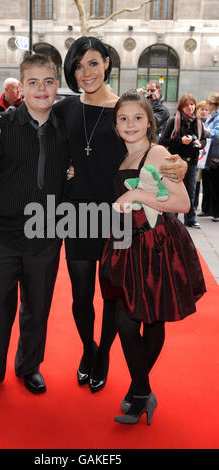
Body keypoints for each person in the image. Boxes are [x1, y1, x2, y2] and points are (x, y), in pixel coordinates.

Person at [0, 36, 187, 395]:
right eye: (78, 65)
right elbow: (34, 122)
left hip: (116, 214)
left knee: (111, 296)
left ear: (107, 62)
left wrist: (177, 164)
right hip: (75, 214)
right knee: (80, 297)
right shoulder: (65, 109)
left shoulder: (123, 108)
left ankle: (102, 355)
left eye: (93, 62)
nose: (86, 71)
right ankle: (87, 347)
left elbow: (148, 145)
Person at [99, 90, 206, 425]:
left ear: (150, 122)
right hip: (127, 244)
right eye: (123, 118)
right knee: (127, 321)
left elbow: (182, 204)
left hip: (156, 245)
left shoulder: (157, 152)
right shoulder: (122, 158)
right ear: (116, 125)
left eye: (137, 118)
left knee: (148, 319)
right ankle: (142, 390)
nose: (130, 124)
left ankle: (140, 391)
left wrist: (136, 192)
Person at [0, 53, 70, 405]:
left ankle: (29, 366)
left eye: (48, 81)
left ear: (57, 85)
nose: (41, 89)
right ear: (21, 88)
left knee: (37, 307)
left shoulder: (65, 131)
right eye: (33, 82)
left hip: (45, 237)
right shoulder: (1, 126)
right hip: (1, 236)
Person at [160, 93, 206, 228]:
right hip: (176, 162)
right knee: (173, 190)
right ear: (181, 107)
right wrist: (181, 141)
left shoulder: (198, 123)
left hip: (191, 161)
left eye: (192, 105)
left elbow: (203, 139)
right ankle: (172, 219)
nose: (190, 108)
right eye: (187, 105)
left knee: (190, 191)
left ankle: (190, 219)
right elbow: (163, 141)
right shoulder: (174, 121)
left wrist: (200, 143)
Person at [204, 93, 219, 222]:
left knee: (215, 184)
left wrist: (206, 131)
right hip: (209, 154)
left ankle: (216, 212)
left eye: (208, 104)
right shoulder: (211, 116)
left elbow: (217, 134)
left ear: (214, 105)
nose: (207, 106)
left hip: (216, 155)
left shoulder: (218, 117)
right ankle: (208, 209)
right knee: (208, 183)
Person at [194, 100, 209, 212]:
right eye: (201, 109)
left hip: (207, 156)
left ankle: (204, 207)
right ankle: (194, 204)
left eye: (206, 110)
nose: (204, 112)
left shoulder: (209, 123)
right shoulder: (194, 122)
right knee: (196, 180)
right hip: (197, 155)